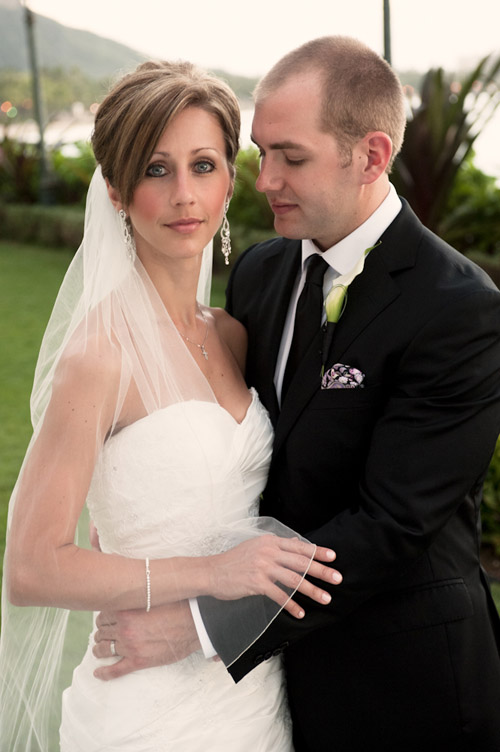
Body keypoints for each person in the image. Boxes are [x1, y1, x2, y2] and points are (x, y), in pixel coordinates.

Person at [92, 37, 500, 752]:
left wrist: (196, 626)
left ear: (371, 156)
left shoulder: (460, 309)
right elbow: (235, 438)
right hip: (266, 693)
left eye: (292, 157)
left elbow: (390, 526)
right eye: (260, 153)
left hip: (402, 687)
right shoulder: (259, 272)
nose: (263, 180)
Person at [0, 60, 342, 751]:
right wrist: (211, 577)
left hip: (248, 691)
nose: (185, 194)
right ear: (119, 191)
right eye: (157, 170)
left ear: (229, 182)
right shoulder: (99, 355)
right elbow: (31, 567)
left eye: (204, 165)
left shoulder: (233, 334)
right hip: (145, 707)